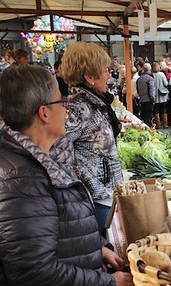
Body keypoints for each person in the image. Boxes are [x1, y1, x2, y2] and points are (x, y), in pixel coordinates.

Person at [0, 64, 134, 286]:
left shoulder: (37, 159)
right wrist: (110, 284)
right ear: (44, 113)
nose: (66, 108)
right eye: (61, 101)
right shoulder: (19, 180)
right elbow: (35, 273)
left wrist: (91, 250)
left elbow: (46, 234)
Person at [60, 42, 123, 234]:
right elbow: (56, 150)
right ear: (89, 77)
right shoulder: (78, 108)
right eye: (105, 70)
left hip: (102, 194)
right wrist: (83, 179)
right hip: (92, 198)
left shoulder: (93, 101)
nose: (108, 74)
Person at [136, 62, 156, 127]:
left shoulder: (139, 79)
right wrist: (153, 99)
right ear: (150, 69)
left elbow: (138, 89)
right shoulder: (149, 78)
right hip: (148, 100)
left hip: (142, 100)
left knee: (144, 117)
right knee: (149, 118)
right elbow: (151, 90)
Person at [153, 62, 169, 129]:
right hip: (162, 95)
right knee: (164, 109)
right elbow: (166, 83)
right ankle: (165, 124)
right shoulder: (161, 74)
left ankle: (158, 124)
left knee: (156, 110)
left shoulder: (152, 75)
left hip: (155, 95)